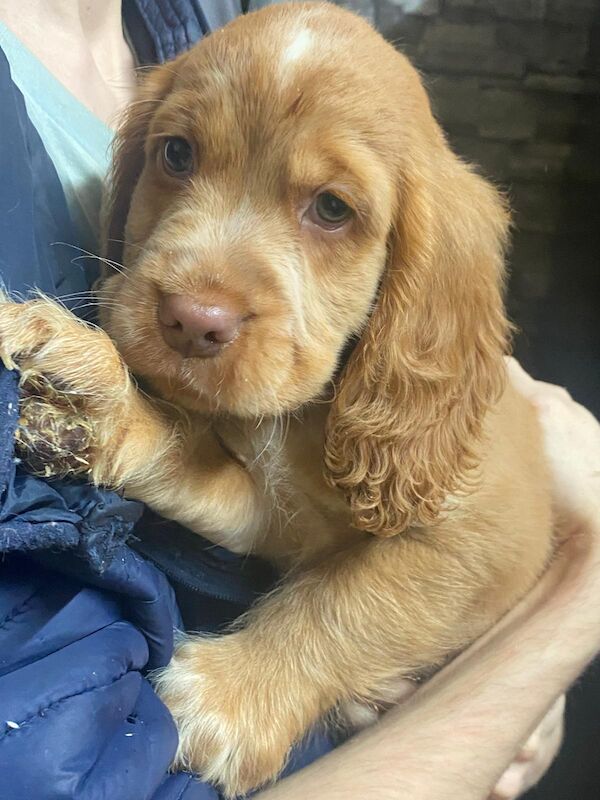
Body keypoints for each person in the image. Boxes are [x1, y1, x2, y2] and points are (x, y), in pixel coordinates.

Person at [0, 3, 598, 799]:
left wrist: (292, 667)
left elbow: (468, 541)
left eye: (331, 208)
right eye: (177, 155)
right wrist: (531, 659)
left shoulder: (183, 18)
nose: (199, 302)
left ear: (413, 271)